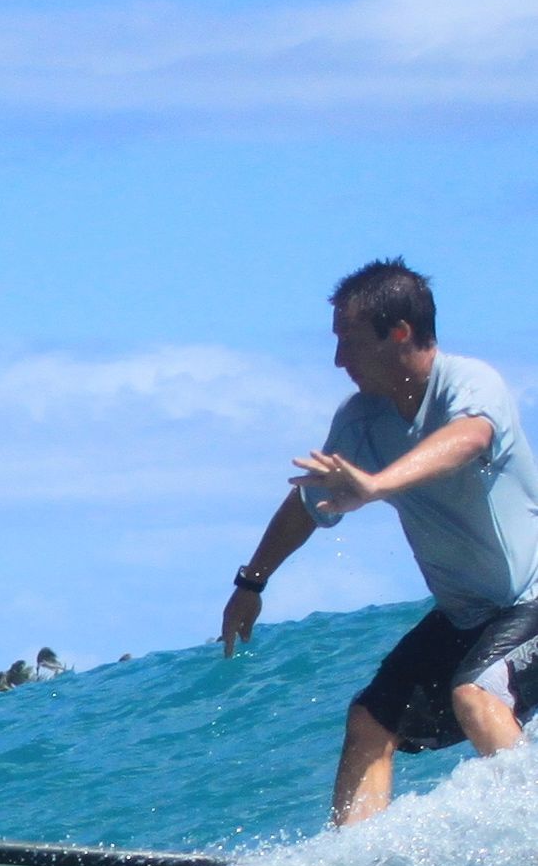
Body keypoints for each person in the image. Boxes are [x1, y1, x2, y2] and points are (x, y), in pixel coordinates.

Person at [222, 259, 538, 824]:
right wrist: (253, 580)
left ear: (400, 333)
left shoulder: (469, 384)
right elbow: (305, 505)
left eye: (349, 341)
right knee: (370, 720)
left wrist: (376, 484)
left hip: (530, 600)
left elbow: (468, 438)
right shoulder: (363, 419)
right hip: (468, 614)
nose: (338, 359)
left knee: (475, 695)